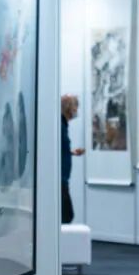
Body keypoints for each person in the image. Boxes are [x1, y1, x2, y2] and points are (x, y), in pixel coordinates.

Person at [61, 94, 85, 223]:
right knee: (67, 215)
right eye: (76, 107)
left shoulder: (63, 125)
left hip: (63, 179)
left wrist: (71, 152)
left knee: (66, 216)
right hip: (60, 180)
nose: (76, 111)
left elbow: (59, 149)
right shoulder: (59, 125)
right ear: (69, 108)